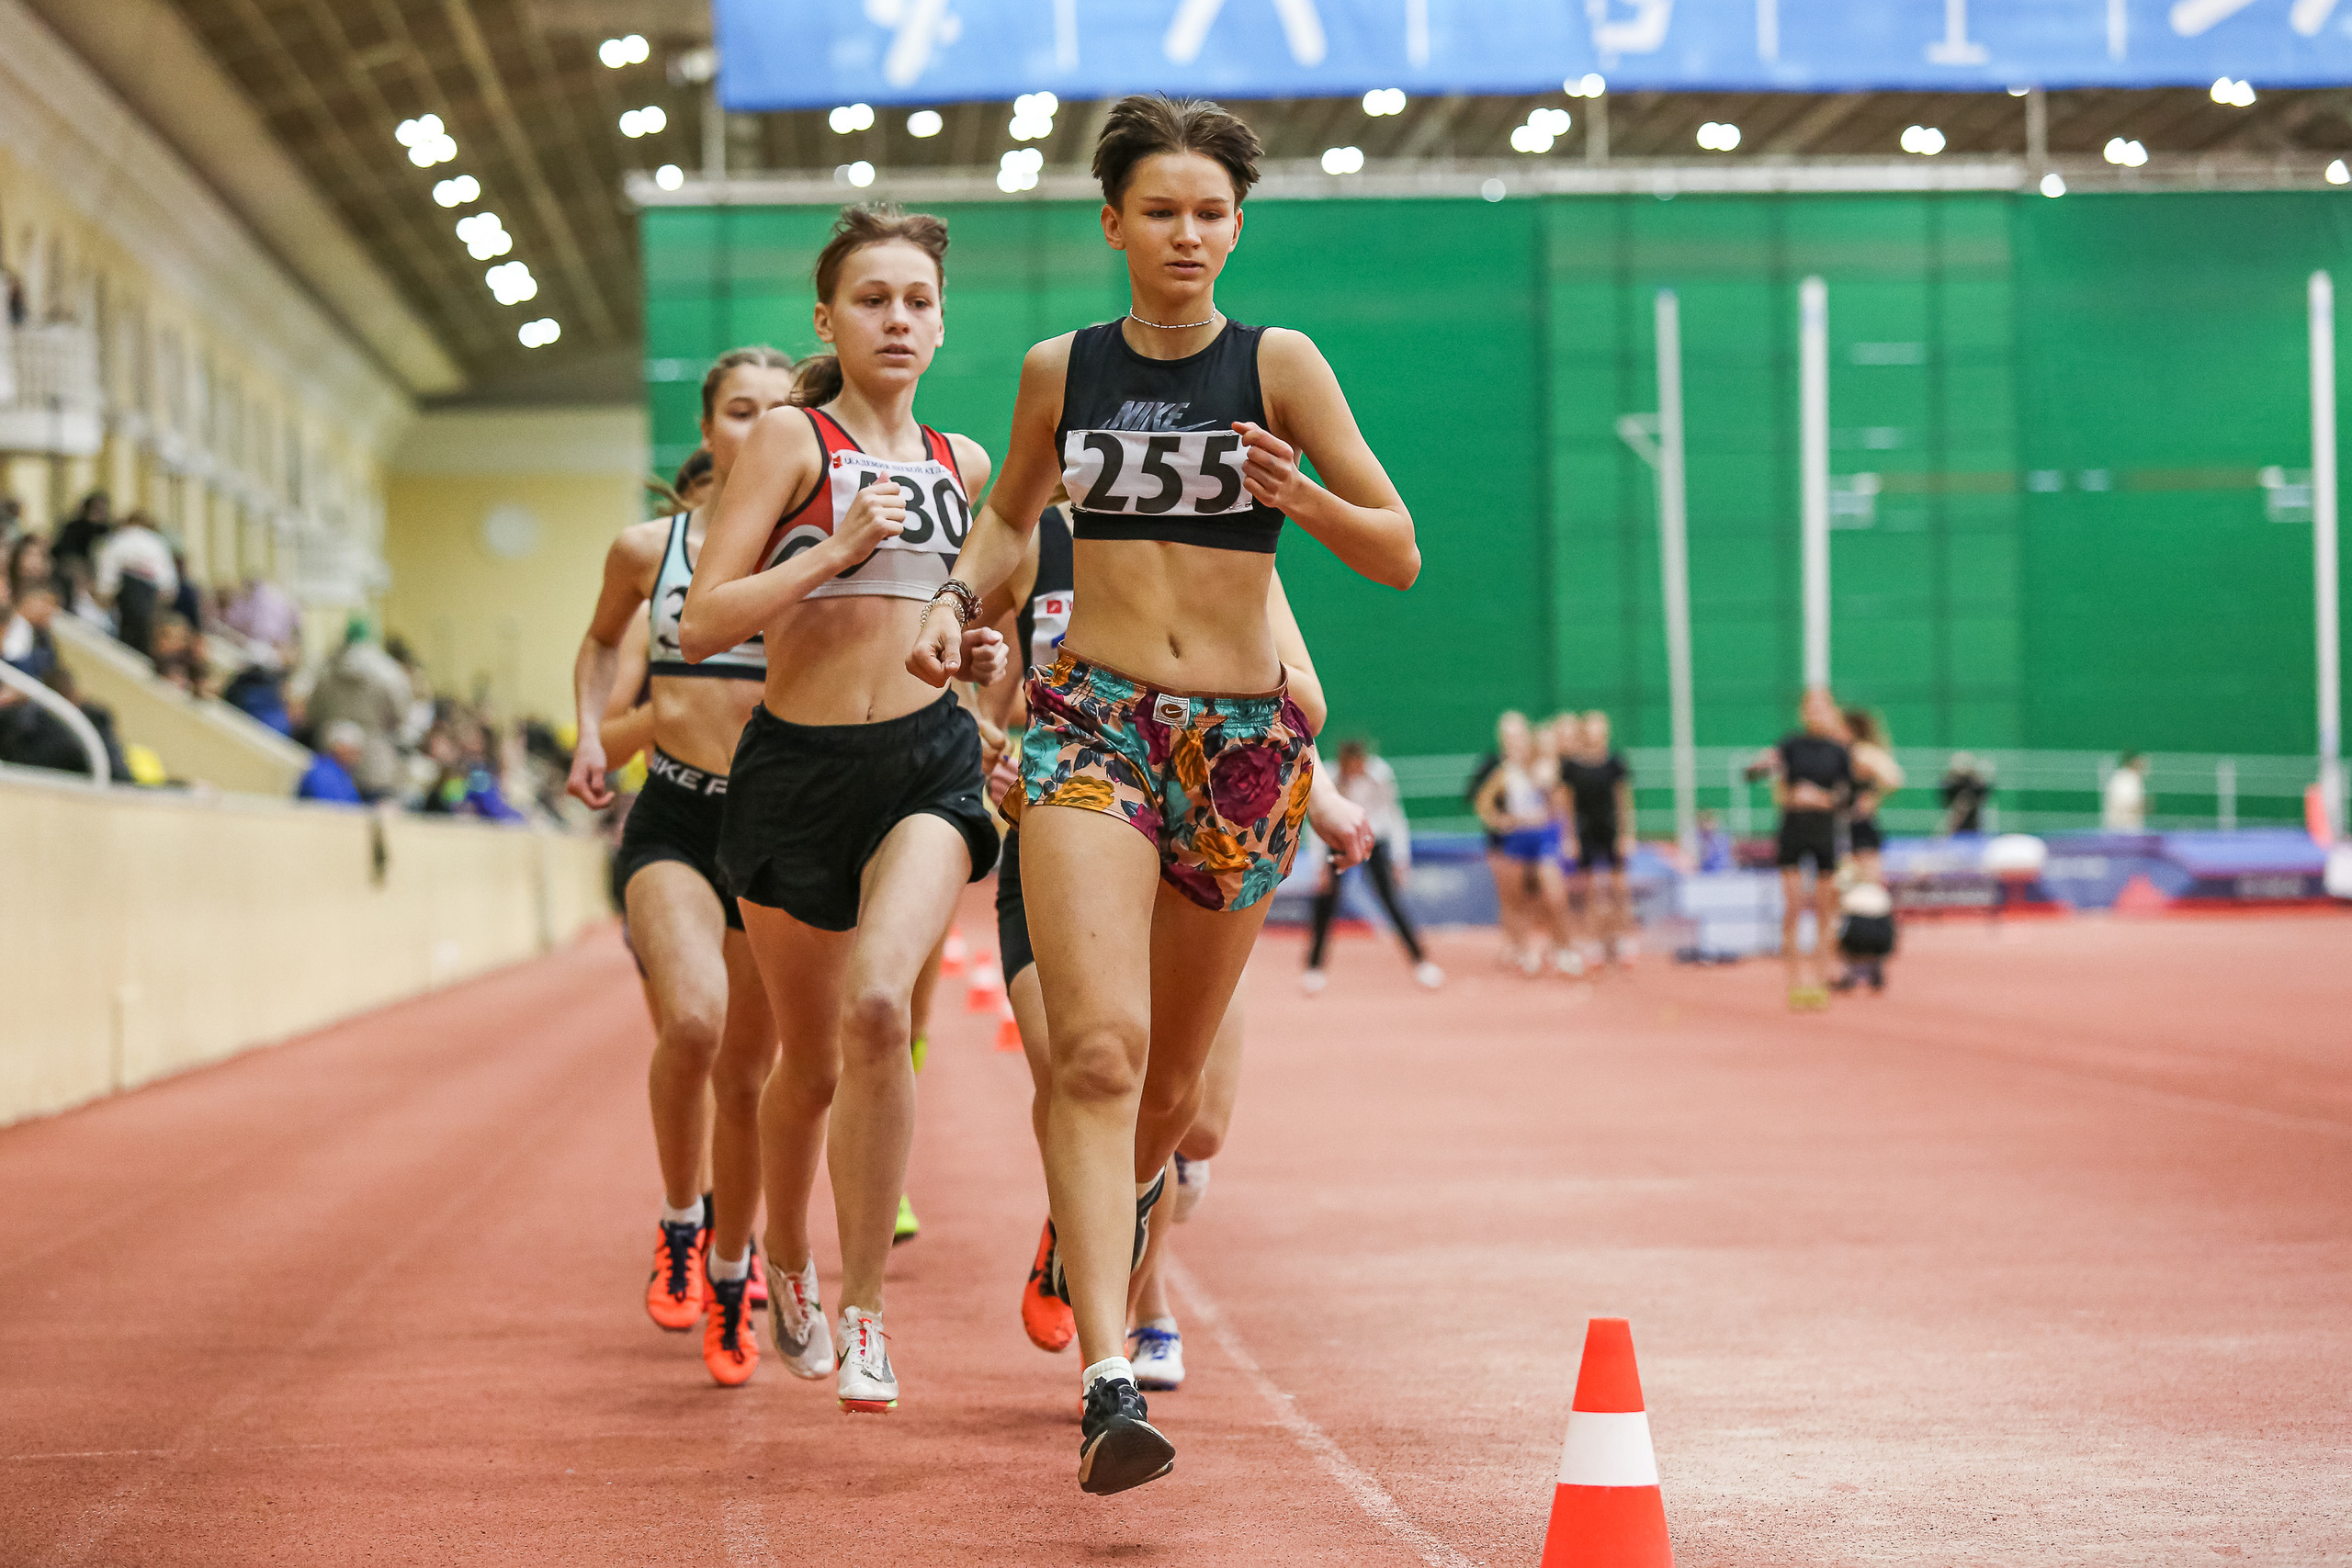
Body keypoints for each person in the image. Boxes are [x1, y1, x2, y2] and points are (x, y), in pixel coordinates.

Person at [902, 96, 1419, 1494]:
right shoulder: (1059, 368)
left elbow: (1398, 549)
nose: (1188, 234)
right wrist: (960, 596)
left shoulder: (1281, 363)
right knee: (1099, 1050)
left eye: (1211, 212)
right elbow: (1012, 513)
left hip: (1243, 745)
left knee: (1176, 1092)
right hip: (1096, 727)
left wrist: (1300, 496)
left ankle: (1096, 1232)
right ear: (1115, 221)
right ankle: (1110, 1370)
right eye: (1162, 210)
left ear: (1236, 226)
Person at [683, 206, 1010, 1416]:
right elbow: (708, 619)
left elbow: (969, 632)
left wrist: (975, 654)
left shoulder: (964, 464)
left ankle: (869, 1312)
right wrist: (829, 550)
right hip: (794, 772)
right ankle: (785, 1258)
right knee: (803, 1065)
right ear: (829, 318)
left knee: (882, 1007)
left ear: (941, 320)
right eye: (874, 299)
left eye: (919, 300)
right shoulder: (786, 441)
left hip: (925, 765)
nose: (899, 320)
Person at [976, 501, 1374, 1392]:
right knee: (1085, 1074)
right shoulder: (1031, 543)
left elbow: (1300, 702)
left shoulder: (1221, 540)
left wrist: (1197, 667)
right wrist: (990, 751)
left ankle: (1090, 1242)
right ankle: (1125, 1322)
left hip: (1200, 848)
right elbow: (982, 696)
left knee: (1191, 1123)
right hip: (1068, 830)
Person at [566, 346, 799, 1387]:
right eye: (740, 411)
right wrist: (587, 731)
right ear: (708, 430)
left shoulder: (821, 550)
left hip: (780, 829)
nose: (758, 428)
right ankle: (676, 1218)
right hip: (674, 816)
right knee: (695, 1023)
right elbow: (600, 644)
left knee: (750, 1077)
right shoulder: (647, 548)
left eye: (779, 411)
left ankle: (734, 1266)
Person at [1303, 738, 1441, 992]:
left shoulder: (1380, 775)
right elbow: (1317, 823)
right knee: (1325, 904)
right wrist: (1318, 865)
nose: (1356, 768)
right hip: (1339, 842)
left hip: (1375, 842)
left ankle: (1421, 963)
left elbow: (1395, 815)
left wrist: (1401, 858)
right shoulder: (1330, 778)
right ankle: (1314, 969)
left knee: (1391, 901)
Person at [1749, 689, 1851, 1010]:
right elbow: (1755, 772)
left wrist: (1822, 799)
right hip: (1793, 829)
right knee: (1793, 908)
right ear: (1803, 712)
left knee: (1824, 911)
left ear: (1831, 711)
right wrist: (1764, 768)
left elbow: (1849, 795)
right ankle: (1796, 983)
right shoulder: (1790, 745)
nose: (1816, 713)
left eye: (1822, 707)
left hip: (1823, 831)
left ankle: (1820, 983)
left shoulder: (1839, 751)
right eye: (1810, 707)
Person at [1472, 711, 1576, 976]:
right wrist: (1502, 820)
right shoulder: (1504, 771)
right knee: (1515, 899)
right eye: (1510, 739)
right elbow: (1483, 801)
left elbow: (1562, 802)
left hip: (1543, 837)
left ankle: (1564, 947)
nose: (1516, 744)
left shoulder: (1545, 766)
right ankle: (1523, 950)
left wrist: (1561, 829)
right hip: (1516, 838)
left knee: (1554, 895)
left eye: (1519, 738)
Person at [1559, 710, 1634, 968]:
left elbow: (1623, 800)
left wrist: (1627, 834)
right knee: (1590, 890)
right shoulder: (1572, 767)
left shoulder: (1615, 762)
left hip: (1610, 830)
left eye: (1600, 730)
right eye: (1591, 730)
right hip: (1585, 831)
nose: (1596, 735)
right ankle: (1593, 942)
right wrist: (1569, 837)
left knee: (1618, 889)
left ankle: (1619, 941)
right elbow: (1567, 804)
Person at [92, 510, 176, 659]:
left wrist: (104, 592)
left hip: (128, 589)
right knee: (146, 635)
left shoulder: (119, 540)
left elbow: (108, 569)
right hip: (150, 590)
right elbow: (168, 580)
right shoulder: (157, 543)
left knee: (127, 633)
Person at [1843, 708, 1905, 885]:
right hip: (1838, 826)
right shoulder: (1835, 751)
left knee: (1868, 882)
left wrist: (1872, 794)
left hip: (1860, 825)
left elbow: (1894, 778)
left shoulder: (1862, 752)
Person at [297, 720, 368, 804]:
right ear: (339, 747)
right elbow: (333, 808)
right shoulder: (322, 772)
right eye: (354, 751)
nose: (357, 757)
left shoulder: (343, 774)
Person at [1940, 753, 1993, 835]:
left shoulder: (1974, 785)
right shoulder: (1953, 785)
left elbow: (1983, 795)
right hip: (1957, 827)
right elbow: (1945, 802)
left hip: (1972, 826)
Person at [2102, 752, 2148, 831]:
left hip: (2131, 827)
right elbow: (2125, 803)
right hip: (2123, 828)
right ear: (2134, 761)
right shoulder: (2124, 778)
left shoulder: (2135, 778)